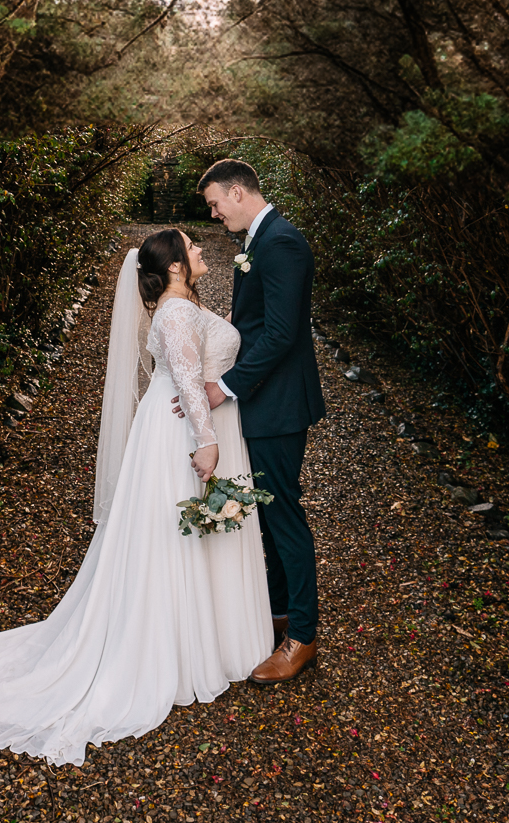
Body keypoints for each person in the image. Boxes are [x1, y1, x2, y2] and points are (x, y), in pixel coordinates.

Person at [0, 229, 271, 765]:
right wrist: (207, 442)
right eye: (191, 248)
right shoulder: (175, 312)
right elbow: (190, 384)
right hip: (187, 432)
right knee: (179, 536)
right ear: (172, 267)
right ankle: (177, 649)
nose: (200, 251)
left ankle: (210, 638)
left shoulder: (182, 306)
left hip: (181, 423)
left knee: (191, 533)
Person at [181, 158, 325, 684]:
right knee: (267, 514)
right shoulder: (257, 243)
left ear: (238, 192)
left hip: (280, 403)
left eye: (216, 204)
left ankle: (303, 637)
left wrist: (225, 387)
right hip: (265, 400)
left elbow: (283, 334)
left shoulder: (282, 242)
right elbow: (258, 322)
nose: (215, 215)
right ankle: (281, 613)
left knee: (283, 514)